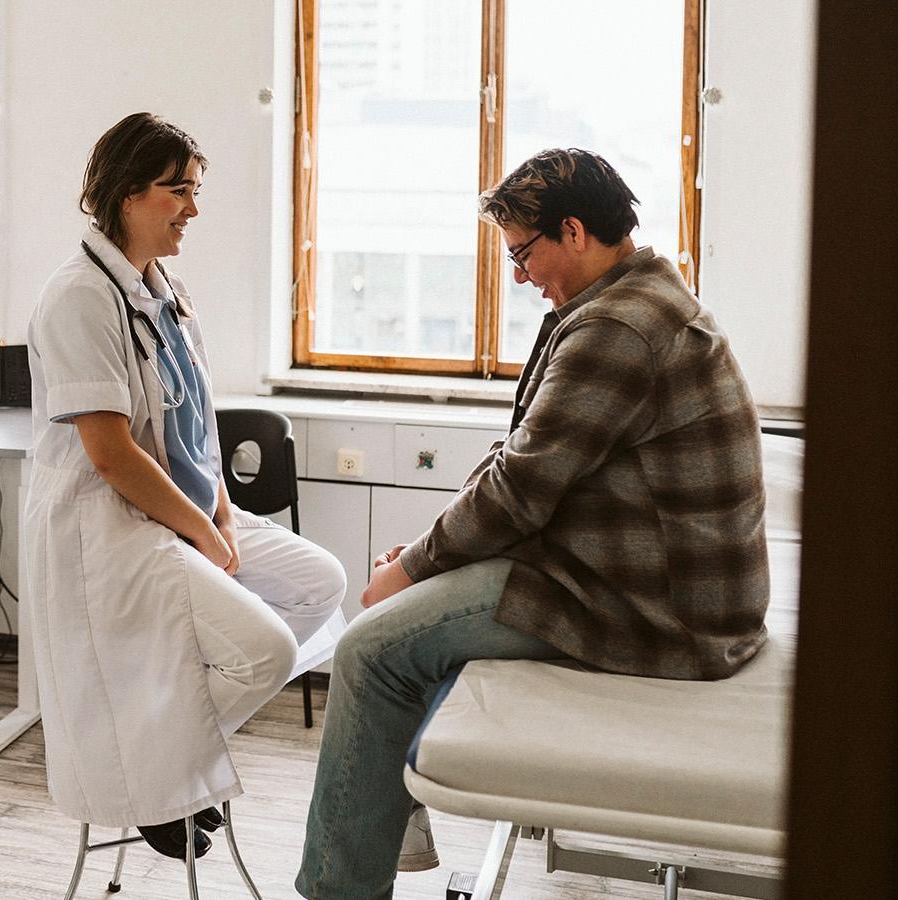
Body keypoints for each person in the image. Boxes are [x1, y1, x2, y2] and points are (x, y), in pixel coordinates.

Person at [295, 148, 769, 898]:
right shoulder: (620, 303)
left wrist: (411, 569)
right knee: (405, 618)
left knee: (368, 650)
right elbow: (519, 453)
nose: (518, 276)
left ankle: (338, 891)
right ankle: (380, 843)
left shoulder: (621, 328)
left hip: (656, 612)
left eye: (523, 254)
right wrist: (428, 556)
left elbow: (519, 489)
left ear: (574, 231)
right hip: (623, 576)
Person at [25, 113, 346, 860]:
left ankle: (160, 761)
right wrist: (202, 534)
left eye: (195, 191)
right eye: (179, 192)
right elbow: (110, 453)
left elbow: (196, 421)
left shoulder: (165, 289)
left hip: (183, 505)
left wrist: (225, 515)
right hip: (105, 519)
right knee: (263, 651)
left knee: (318, 583)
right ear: (127, 193)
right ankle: (159, 789)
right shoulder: (79, 294)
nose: (193, 209)